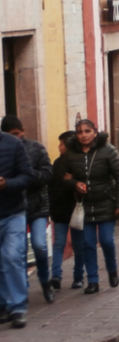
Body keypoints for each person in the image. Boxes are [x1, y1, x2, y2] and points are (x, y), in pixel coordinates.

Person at [59, 120, 119, 295]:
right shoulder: (70, 154)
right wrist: (75, 184)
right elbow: (62, 179)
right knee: (87, 244)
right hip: (83, 206)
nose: (83, 135)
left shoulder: (108, 150)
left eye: (87, 131)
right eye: (80, 132)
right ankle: (93, 280)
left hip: (105, 203)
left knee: (106, 240)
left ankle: (112, 271)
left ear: (95, 132)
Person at [1, 115, 54, 304]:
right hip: (15, 207)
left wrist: (28, 177)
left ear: (22, 131)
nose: (14, 138)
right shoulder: (5, 149)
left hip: (37, 206)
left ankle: (44, 280)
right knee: (16, 251)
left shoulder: (35, 148)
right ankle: (20, 290)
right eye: (10, 135)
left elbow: (48, 173)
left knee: (39, 245)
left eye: (16, 134)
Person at [0, 127, 33, 329]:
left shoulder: (12, 144)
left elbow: (28, 176)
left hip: (13, 212)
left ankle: (18, 307)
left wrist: (7, 184)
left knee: (11, 256)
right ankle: (3, 303)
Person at [49, 131, 85, 291]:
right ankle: (74, 277)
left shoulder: (61, 163)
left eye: (61, 144)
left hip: (68, 209)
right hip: (68, 208)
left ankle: (59, 275)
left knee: (61, 244)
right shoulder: (63, 163)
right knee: (74, 244)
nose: (59, 147)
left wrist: (71, 181)